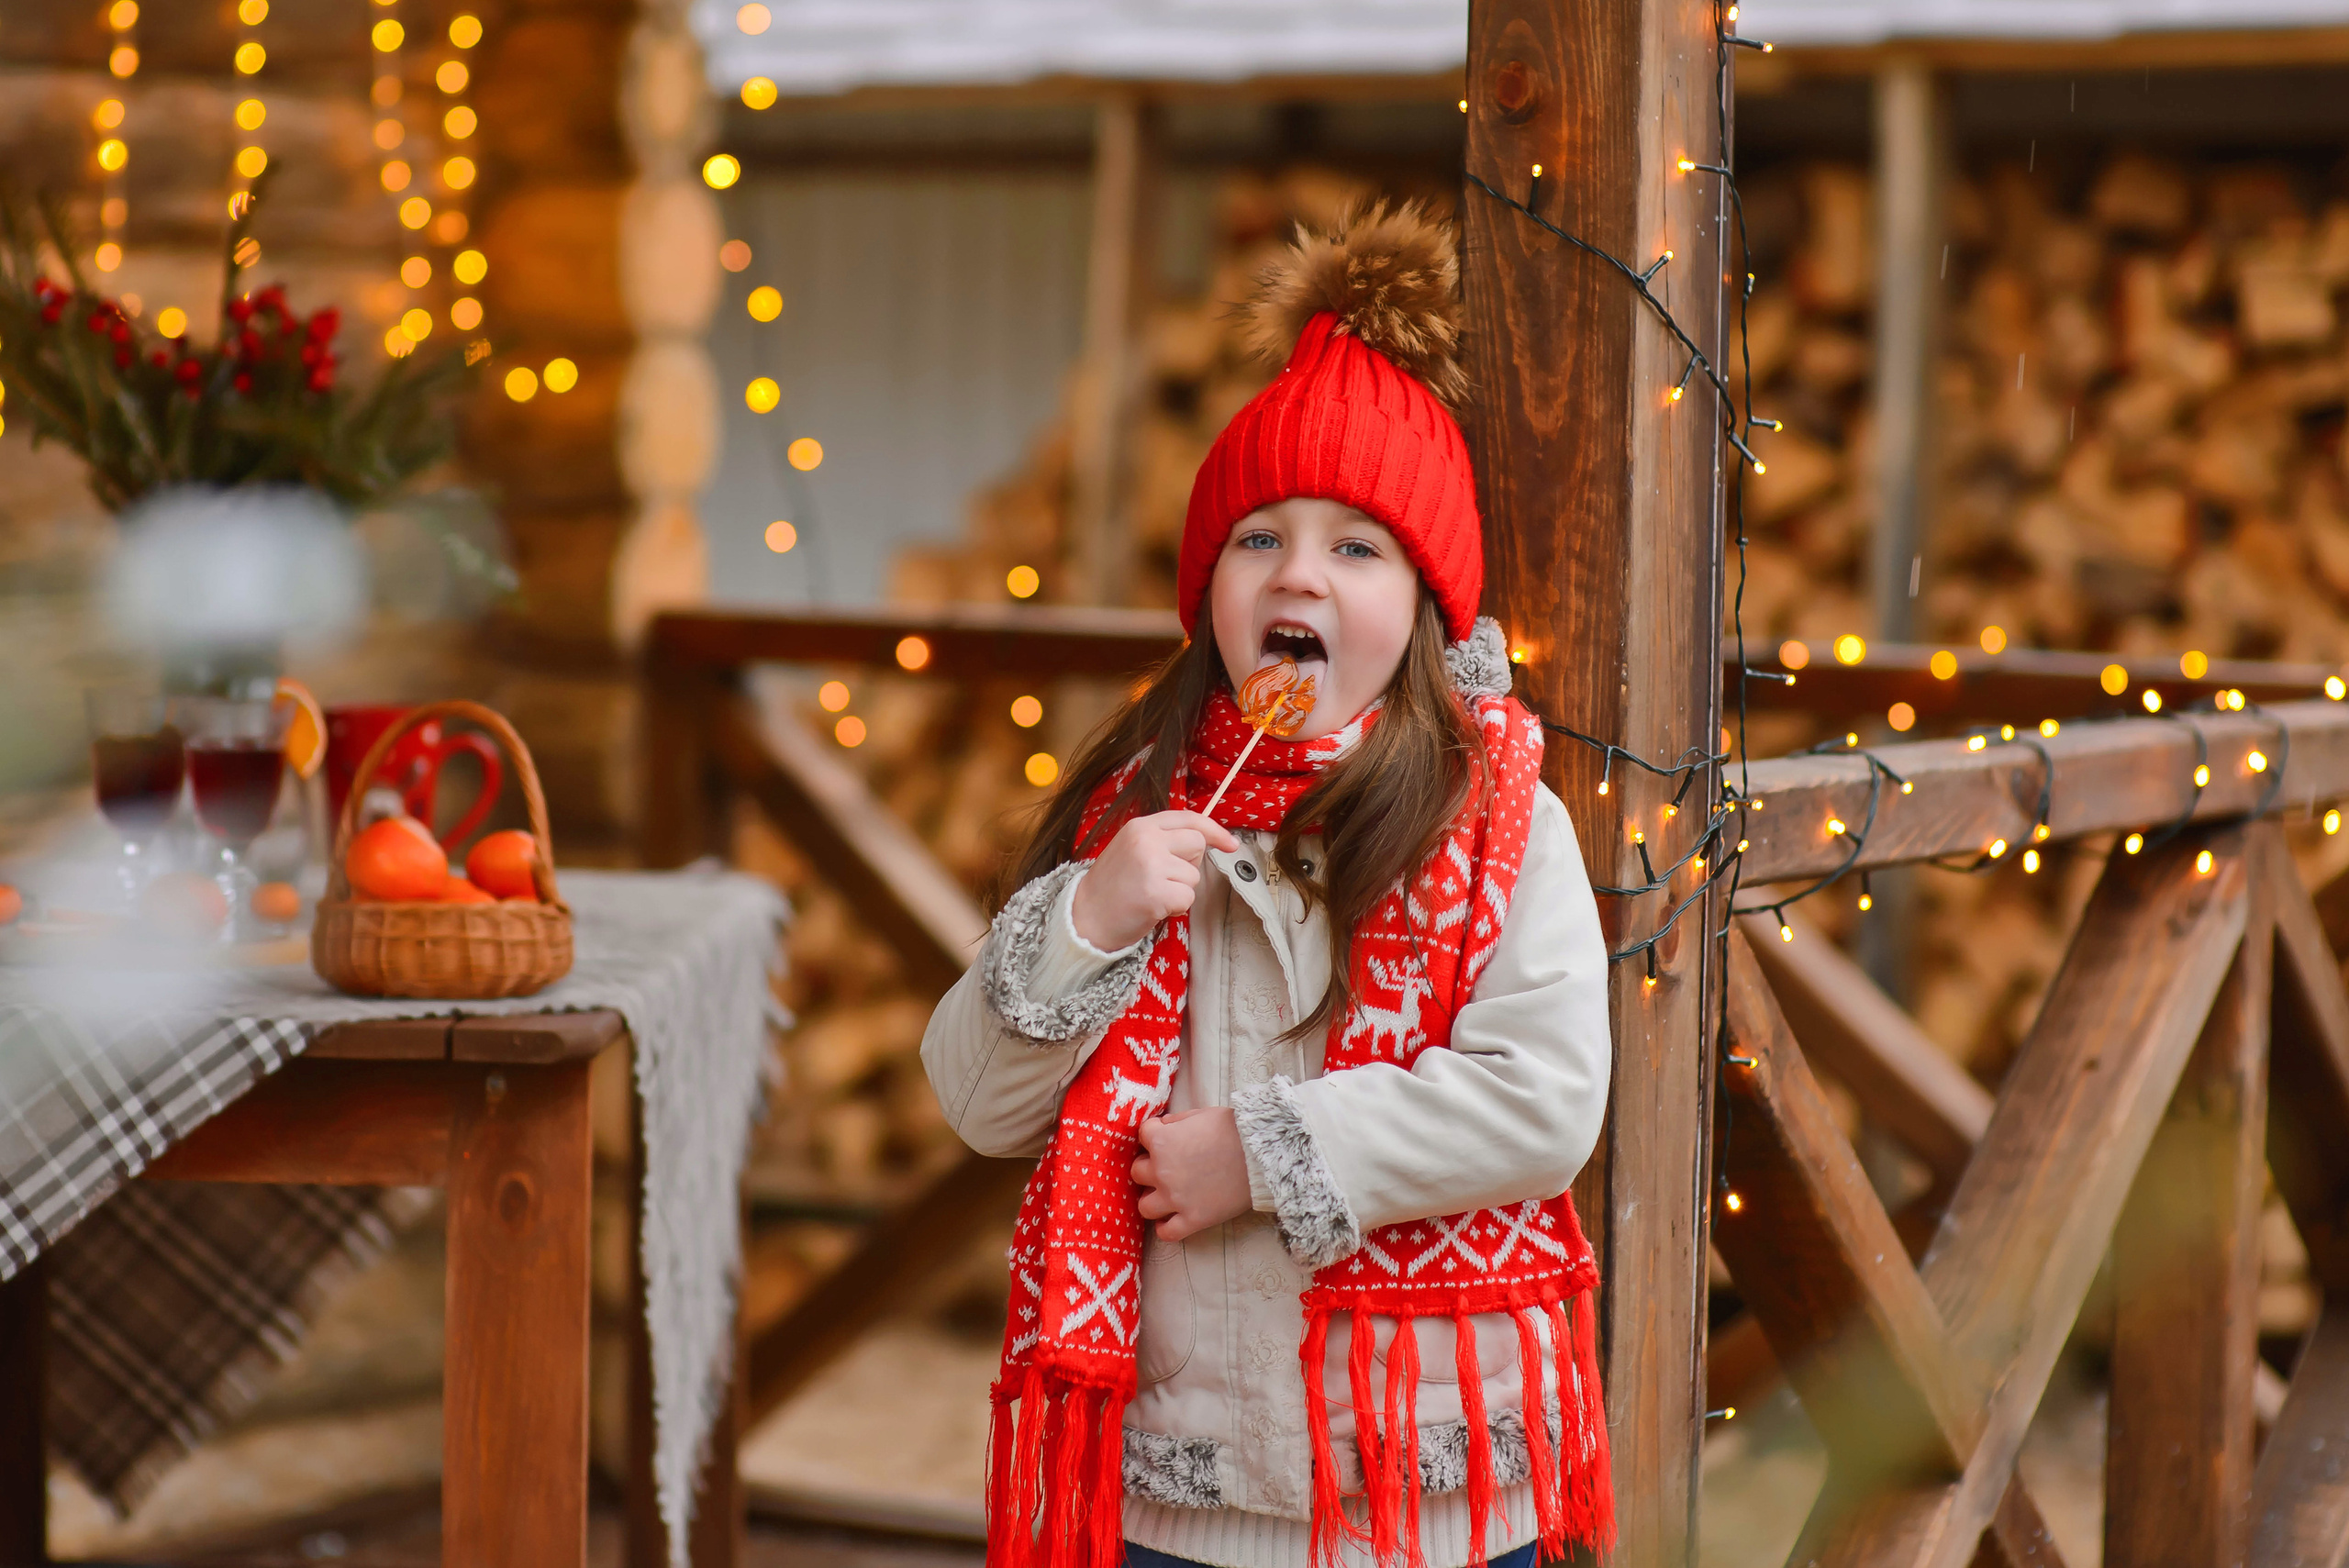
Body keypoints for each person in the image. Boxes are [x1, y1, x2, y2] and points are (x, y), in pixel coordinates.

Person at [921, 203, 1614, 1568]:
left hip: (1421, 1495)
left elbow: (1547, 1095)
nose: (1300, 569)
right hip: (1187, 1485)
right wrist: (1089, 919)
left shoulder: (1495, 820)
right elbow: (975, 1099)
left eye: (1356, 548)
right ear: (1212, 592)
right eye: (1261, 539)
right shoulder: (1145, 811)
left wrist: (1262, 1151)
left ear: (1421, 605)